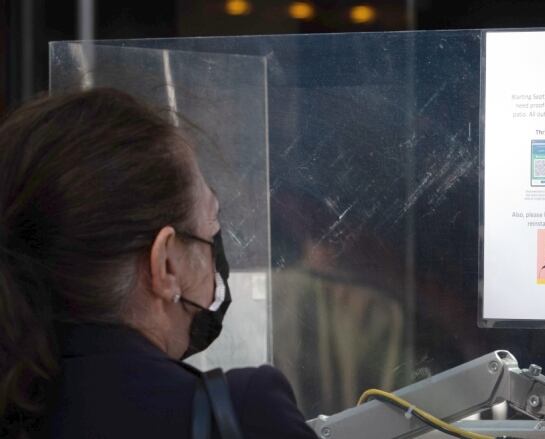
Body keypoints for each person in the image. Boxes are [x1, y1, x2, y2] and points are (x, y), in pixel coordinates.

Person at [0, 88, 318, 438]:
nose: (217, 250)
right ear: (165, 264)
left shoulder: (18, 408)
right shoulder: (241, 414)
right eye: (211, 226)